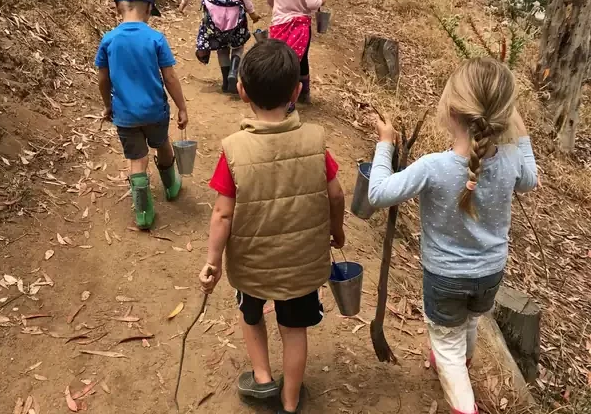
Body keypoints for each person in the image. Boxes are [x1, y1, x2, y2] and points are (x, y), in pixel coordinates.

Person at [368, 58, 538, 414]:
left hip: (445, 278)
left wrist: (385, 144)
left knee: (447, 345)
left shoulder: (435, 167)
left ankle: (462, 396)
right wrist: (520, 133)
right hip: (490, 274)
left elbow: (378, 193)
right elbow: (529, 180)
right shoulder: (509, 159)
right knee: (470, 320)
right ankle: (460, 362)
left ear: (453, 111)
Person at [199, 40, 345, 414]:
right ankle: (291, 401)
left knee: (252, 317)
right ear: (296, 91)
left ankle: (263, 380)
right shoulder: (316, 142)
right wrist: (337, 230)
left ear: (242, 90)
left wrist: (213, 260)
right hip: (302, 265)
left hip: (252, 265)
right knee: (295, 331)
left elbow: (222, 214)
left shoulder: (234, 150)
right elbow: (335, 194)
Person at [95, 0, 188, 230]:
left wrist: (108, 105)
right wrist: (181, 106)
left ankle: (144, 212)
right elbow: (169, 76)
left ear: (118, 8)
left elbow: (103, 79)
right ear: (148, 8)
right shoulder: (155, 38)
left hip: (125, 114)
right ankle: (170, 185)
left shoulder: (109, 40)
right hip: (155, 111)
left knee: (137, 159)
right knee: (162, 144)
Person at [267, 0, 325, 106]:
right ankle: (303, 93)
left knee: (279, 62)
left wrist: (278, 9)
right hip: (301, 28)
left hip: (279, 25)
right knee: (300, 61)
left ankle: (282, 97)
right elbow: (312, 4)